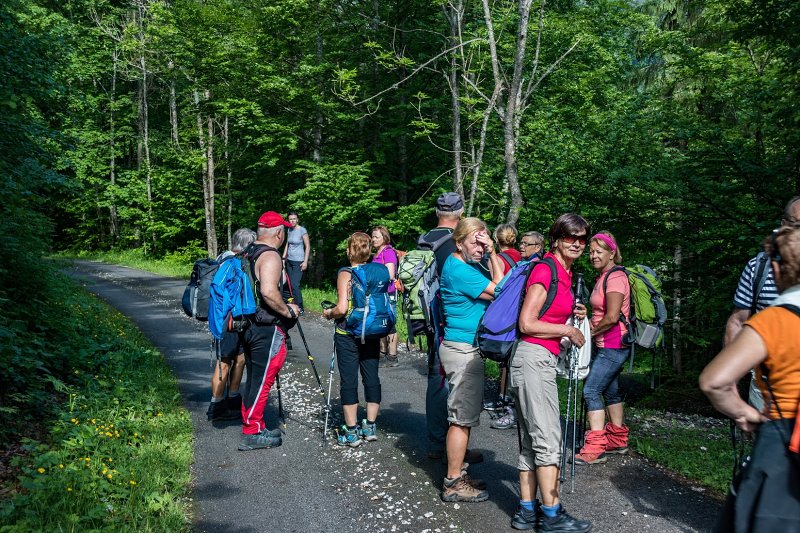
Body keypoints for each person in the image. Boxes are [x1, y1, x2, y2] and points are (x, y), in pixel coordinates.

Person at [700, 224, 800, 532]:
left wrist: (745, 413)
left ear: (776, 267)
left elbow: (713, 381)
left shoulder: (775, 319)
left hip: (783, 441)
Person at [510, 213, 592, 532]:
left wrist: (574, 312)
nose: (577, 243)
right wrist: (567, 331)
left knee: (533, 441)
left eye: (582, 238)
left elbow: (550, 311)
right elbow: (527, 323)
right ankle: (553, 516)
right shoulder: (546, 269)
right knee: (547, 439)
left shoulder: (564, 274)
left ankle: (528, 511)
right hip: (533, 358)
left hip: (535, 358)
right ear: (556, 238)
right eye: (570, 236)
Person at [439, 217, 505, 502]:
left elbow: (501, 282)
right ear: (459, 242)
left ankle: (459, 472)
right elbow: (503, 292)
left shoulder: (464, 265)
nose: (480, 248)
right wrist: (493, 253)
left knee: (462, 417)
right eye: (475, 242)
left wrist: (490, 252)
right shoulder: (460, 270)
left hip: (462, 347)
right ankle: (453, 482)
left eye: (484, 241)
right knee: (461, 419)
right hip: (462, 350)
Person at [420, 192, 483, 466]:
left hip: (429, 317)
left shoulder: (425, 239)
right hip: (451, 323)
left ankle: (439, 442)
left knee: (438, 379)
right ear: (460, 213)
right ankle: (450, 447)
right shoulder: (451, 244)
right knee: (448, 384)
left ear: (437, 212)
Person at [724, 196, 800, 410]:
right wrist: (730, 374)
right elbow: (738, 321)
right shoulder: (759, 267)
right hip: (766, 389)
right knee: (767, 442)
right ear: (784, 226)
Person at [237, 211, 300, 451]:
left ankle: (256, 423)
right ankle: (251, 431)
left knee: (255, 377)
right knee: (263, 379)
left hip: (250, 324)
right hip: (267, 327)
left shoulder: (249, 251)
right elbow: (268, 292)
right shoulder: (271, 256)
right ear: (278, 233)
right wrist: (289, 311)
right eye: (283, 230)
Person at [573, 231, 631, 465]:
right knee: (610, 391)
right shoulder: (603, 276)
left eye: (599, 252)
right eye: (591, 252)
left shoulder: (615, 278)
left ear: (612, 253)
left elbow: (612, 317)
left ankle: (596, 447)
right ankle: (617, 440)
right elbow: (600, 312)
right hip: (606, 344)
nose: (593, 256)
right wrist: (589, 318)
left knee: (591, 391)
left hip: (613, 344)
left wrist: (588, 333)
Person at [323, 233, 384, 447]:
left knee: (349, 379)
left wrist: (329, 313)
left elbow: (341, 308)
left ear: (350, 251)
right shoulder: (376, 271)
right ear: (368, 251)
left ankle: (351, 432)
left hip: (348, 333)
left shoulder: (346, 272)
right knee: (371, 376)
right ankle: (370, 426)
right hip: (371, 332)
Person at [207, 228, 257, 422]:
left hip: (241, 322)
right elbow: (218, 290)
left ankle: (233, 399)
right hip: (228, 324)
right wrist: (224, 320)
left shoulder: (242, 263)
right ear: (246, 245)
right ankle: (216, 406)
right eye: (252, 245)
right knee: (224, 364)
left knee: (241, 359)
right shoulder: (229, 262)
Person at [371, 226, 400, 367]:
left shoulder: (388, 252)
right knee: (380, 322)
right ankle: (382, 352)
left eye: (376, 236)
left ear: (384, 237)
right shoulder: (377, 253)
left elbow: (390, 274)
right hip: (378, 293)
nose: (373, 239)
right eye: (373, 236)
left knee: (390, 323)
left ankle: (393, 356)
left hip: (388, 292)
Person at [283, 211, 310, 313]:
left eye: (294, 219)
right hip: (289, 260)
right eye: (290, 219)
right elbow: (287, 244)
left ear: (297, 219)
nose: (292, 221)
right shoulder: (289, 229)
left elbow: (307, 246)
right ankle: (291, 304)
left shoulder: (302, 230)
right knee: (288, 284)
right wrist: (283, 258)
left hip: (299, 261)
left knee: (295, 285)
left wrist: (305, 261)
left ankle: (300, 307)